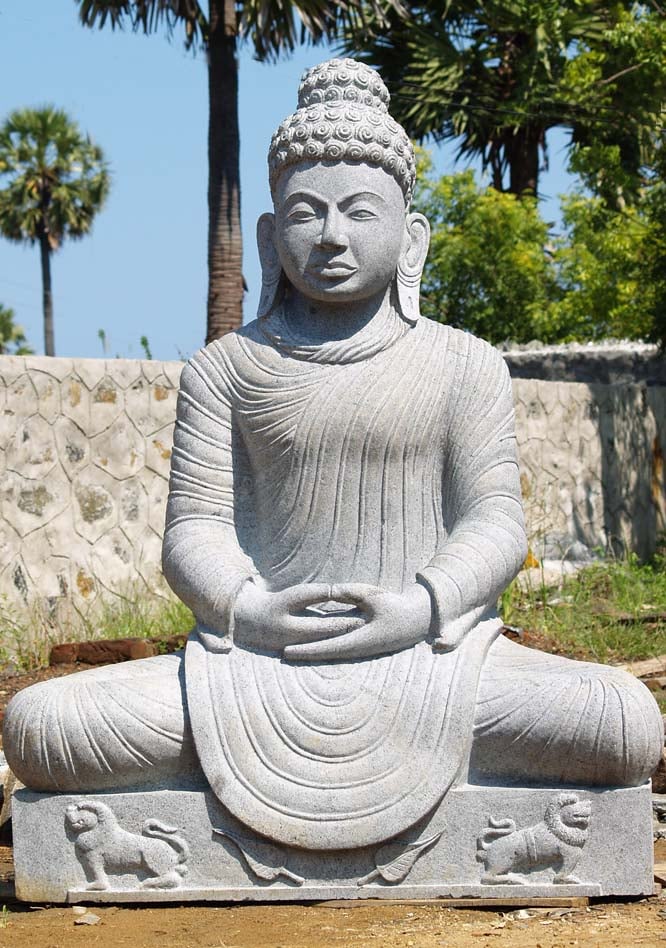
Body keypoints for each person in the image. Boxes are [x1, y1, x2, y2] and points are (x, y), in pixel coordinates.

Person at [4, 59, 661, 850]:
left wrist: (419, 606)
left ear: (410, 236)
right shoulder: (227, 369)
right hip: (255, 669)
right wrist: (250, 609)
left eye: (360, 211)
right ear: (271, 234)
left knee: (623, 720)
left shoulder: (464, 364)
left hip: (437, 661)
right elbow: (193, 532)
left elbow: (495, 523)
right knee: (45, 724)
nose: (334, 236)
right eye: (307, 214)